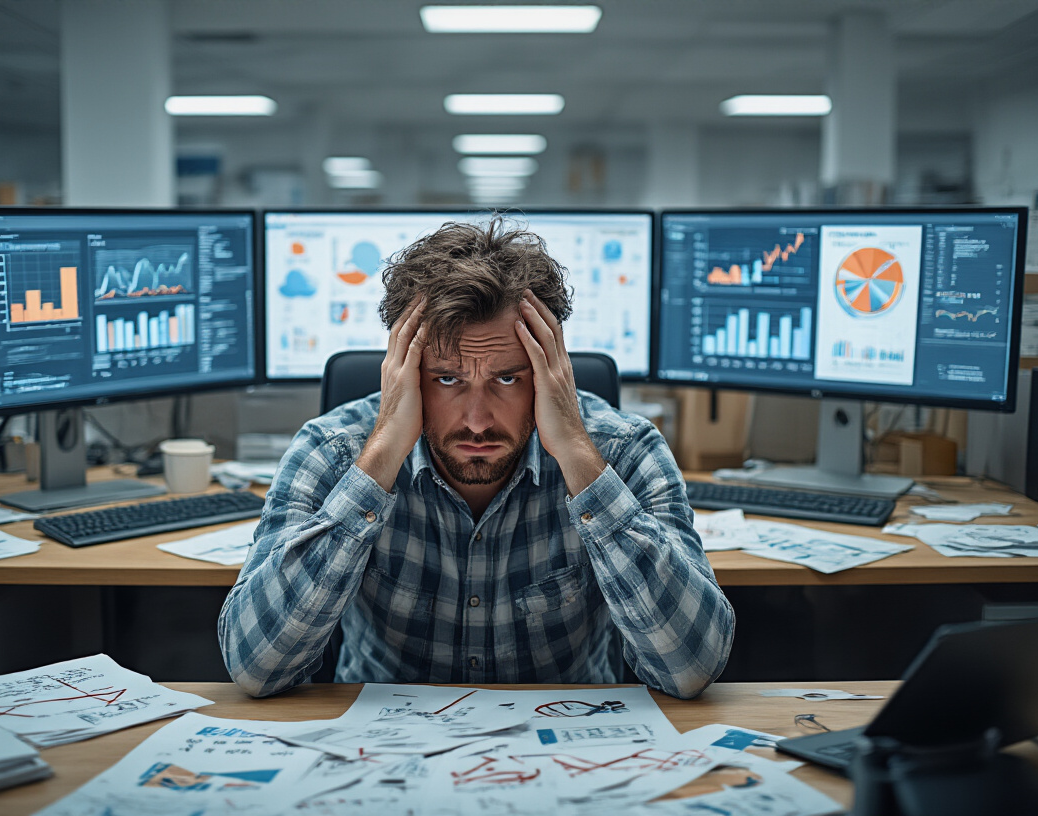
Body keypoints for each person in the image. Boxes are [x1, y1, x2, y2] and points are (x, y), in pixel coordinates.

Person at [218, 218, 734, 699]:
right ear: (404, 371)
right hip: (380, 750)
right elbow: (256, 669)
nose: (479, 420)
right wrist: (378, 463)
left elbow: (691, 668)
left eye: (508, 378)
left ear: (551, 368)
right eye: (448, 379)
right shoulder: (332, 450)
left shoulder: (623, 450)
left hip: (568, 744)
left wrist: (578, 455)